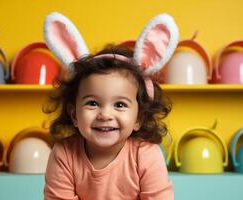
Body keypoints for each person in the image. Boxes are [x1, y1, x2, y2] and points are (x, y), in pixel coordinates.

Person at [43, 12, 179, 200]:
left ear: (138, 118)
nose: (105, 114)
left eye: (120, 104)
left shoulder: (146, 155)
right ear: (74, 115)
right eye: (92, 103)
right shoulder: (64, 154)